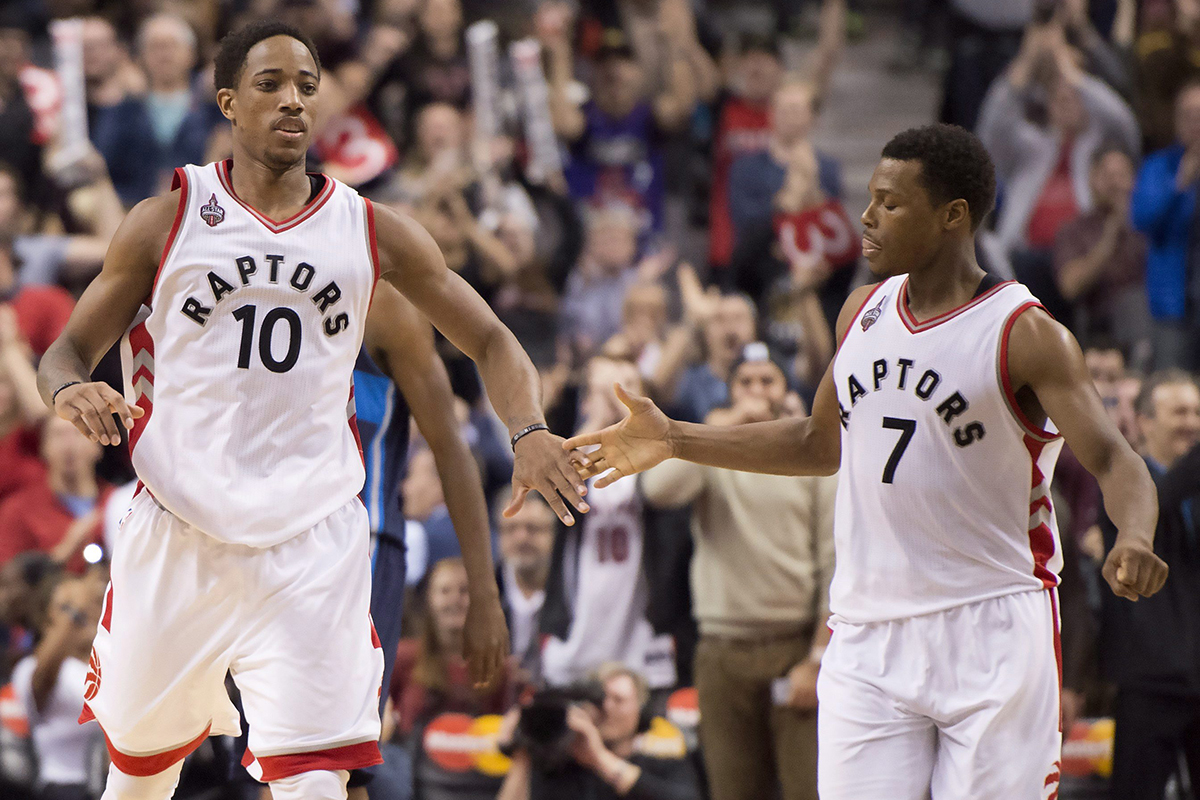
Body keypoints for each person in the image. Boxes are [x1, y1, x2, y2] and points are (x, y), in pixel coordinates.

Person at [34, 20, 588, 800]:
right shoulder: (169, 219)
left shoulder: (368, 232)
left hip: (311, 543)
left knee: (318, 785)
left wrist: (527, 428)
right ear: (229, 101)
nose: (293, 100)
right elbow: (61, 352)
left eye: (306, 85)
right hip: (181, 531)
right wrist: (69, 389)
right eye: (270, 85)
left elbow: (493, 339)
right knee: (137, 782)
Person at [565, 123, 1168, 799]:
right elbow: (817, 444)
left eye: (889, 202)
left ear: (952, 216)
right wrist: (677, 437)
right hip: (867, 631)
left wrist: (1136, 535)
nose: (866, 216)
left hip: (991, 623)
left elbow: (1116, 459)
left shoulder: (1024, 334)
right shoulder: (862, 310)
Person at [641, 345, 836, 800]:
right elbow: (657, 490)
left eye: (767, 381)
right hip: (721, 649)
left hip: (794, 648)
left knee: (809, 788)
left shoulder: (813, 455)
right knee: (732, 791)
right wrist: (722, 426)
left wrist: (819, 656)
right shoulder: (712, 452)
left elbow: (833, 557)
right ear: (729, 393)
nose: (756, 392)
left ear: (786, 391)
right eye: (745, 382)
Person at [348, 280, 496, 798]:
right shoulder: (248, 282)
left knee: (336, 763)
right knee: (265, 760)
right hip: (261, 542)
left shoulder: (386, 306)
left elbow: (452, 450)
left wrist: (485, 593)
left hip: (357, 544)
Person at [541, 357, 676, 691]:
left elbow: (664, 495)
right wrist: (598, 417)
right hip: (580, 627)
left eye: (628, 388)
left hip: (639, 630)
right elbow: (559, 488)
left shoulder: (662, 457)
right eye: (606, 391)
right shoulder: (575, 452)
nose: (619, 400)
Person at [1100, 370, 1200, 799]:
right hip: (1148, 680)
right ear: (1144, 422)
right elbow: (1155, 506)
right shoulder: (1126, 482)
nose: (1191, 423)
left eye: (1197, 412)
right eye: (1179, 411)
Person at [496, 662, 701, 800]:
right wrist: (524, 748)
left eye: (619, 700)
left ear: (641, 711)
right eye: (599, 700)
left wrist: (599, 759)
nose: (608, 708)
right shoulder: (559, 769)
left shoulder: (664, 766)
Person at [389, 558, 516, 739]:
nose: (455, 600)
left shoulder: (499, 667)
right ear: (429, 599)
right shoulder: (401, 657)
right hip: (410, 763)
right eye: (445, 591)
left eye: (464, 591)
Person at [10, 573, 105, 800]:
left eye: (92, 606)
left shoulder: (99, 664)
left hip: (105, 785)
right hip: (64, 788)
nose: (84, 615)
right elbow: (107, 708)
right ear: (47, 619)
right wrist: (77, 609)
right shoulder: (32, 670)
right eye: (68, 608)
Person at [1131, 78, 1200, 371]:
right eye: (1187, 116)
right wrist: (1179, 184)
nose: (1195, 124)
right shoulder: (1158, 167)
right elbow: (1142, 218)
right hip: (1174, 302)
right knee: (1173, 383)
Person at [1052, 145, 1149, 350]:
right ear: (1092, 179)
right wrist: (1109, 236)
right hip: (1097, 331)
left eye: (1121, 175)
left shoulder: (1149, 227)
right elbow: (1069, 286)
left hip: (1149, 323)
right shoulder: (1074, 230)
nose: (1115, 183)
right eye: (1108, 175)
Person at [0, 416, 109, 574]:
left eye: (79, 433)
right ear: (43, 448)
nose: (68, 445)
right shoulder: (18, 510)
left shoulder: (119, 501)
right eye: (58, 435)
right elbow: (9, 584)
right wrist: (64, 552)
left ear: (98, 446)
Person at [494, 488, 555, 674]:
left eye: (533, 529)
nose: (521, 538)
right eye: (511, 529)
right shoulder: (484, 591)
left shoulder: (575, 591)